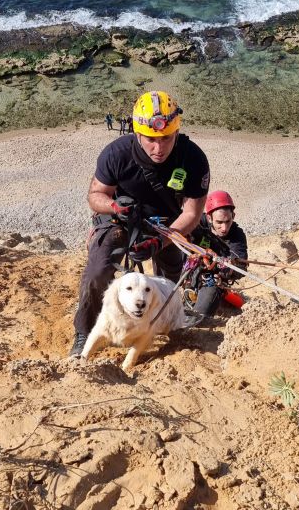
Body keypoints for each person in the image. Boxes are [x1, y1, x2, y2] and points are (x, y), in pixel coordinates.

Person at [70, 90, 210, 356]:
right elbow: (95, 195)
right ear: (137, 134)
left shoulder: (193, 159)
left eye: (166, 138)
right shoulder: (117, 154)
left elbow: (191, 213)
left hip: (168, 223)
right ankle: (84, 331)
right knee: (97, 273)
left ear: (176, 133)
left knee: (170, 279)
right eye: (151, 140)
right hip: (121, 219)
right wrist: (114, 207)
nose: (159, 148)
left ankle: (169, 324)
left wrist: (161, 240)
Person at [189, 190, 248, 319]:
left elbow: (241, 268)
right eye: (219, 222)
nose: (224, 228)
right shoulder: (196, 223)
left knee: (199, 317)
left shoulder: (237, 236)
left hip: (212, 279)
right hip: (186, 269)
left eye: (228, 221)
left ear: (233, 216)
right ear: (209, 218)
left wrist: (220, 266)